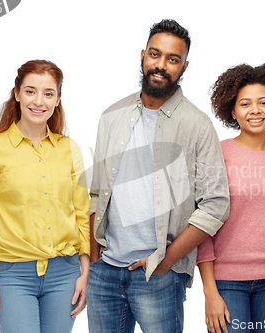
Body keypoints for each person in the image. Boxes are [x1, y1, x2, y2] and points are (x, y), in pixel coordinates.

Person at [86, 19, 230, 333]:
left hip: (159, 276)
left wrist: (165, 261)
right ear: (143, 55)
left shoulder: (197, 125)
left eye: (172, 59)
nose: (161, 65)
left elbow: (216, 205)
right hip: (104, 272)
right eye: (155, 54)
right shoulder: (112, 116)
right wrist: (93, 254)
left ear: (184, 66)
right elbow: (96, 193)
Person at [0, 60, 91, 333]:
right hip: (13, 276)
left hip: (65, 274)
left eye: (48, 93)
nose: (39, 101)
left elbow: (83, 214)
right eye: (30, 91)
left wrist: (85, 274)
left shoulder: (70, 149)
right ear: (16, 93)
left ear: (58, 99)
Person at [196, 63, 265, 333]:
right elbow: (201, 223)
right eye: (245, 104)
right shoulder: (216, 154)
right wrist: (209, 290)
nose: (255, 110)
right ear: (232, 110)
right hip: (226, 280)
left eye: (263, 102)